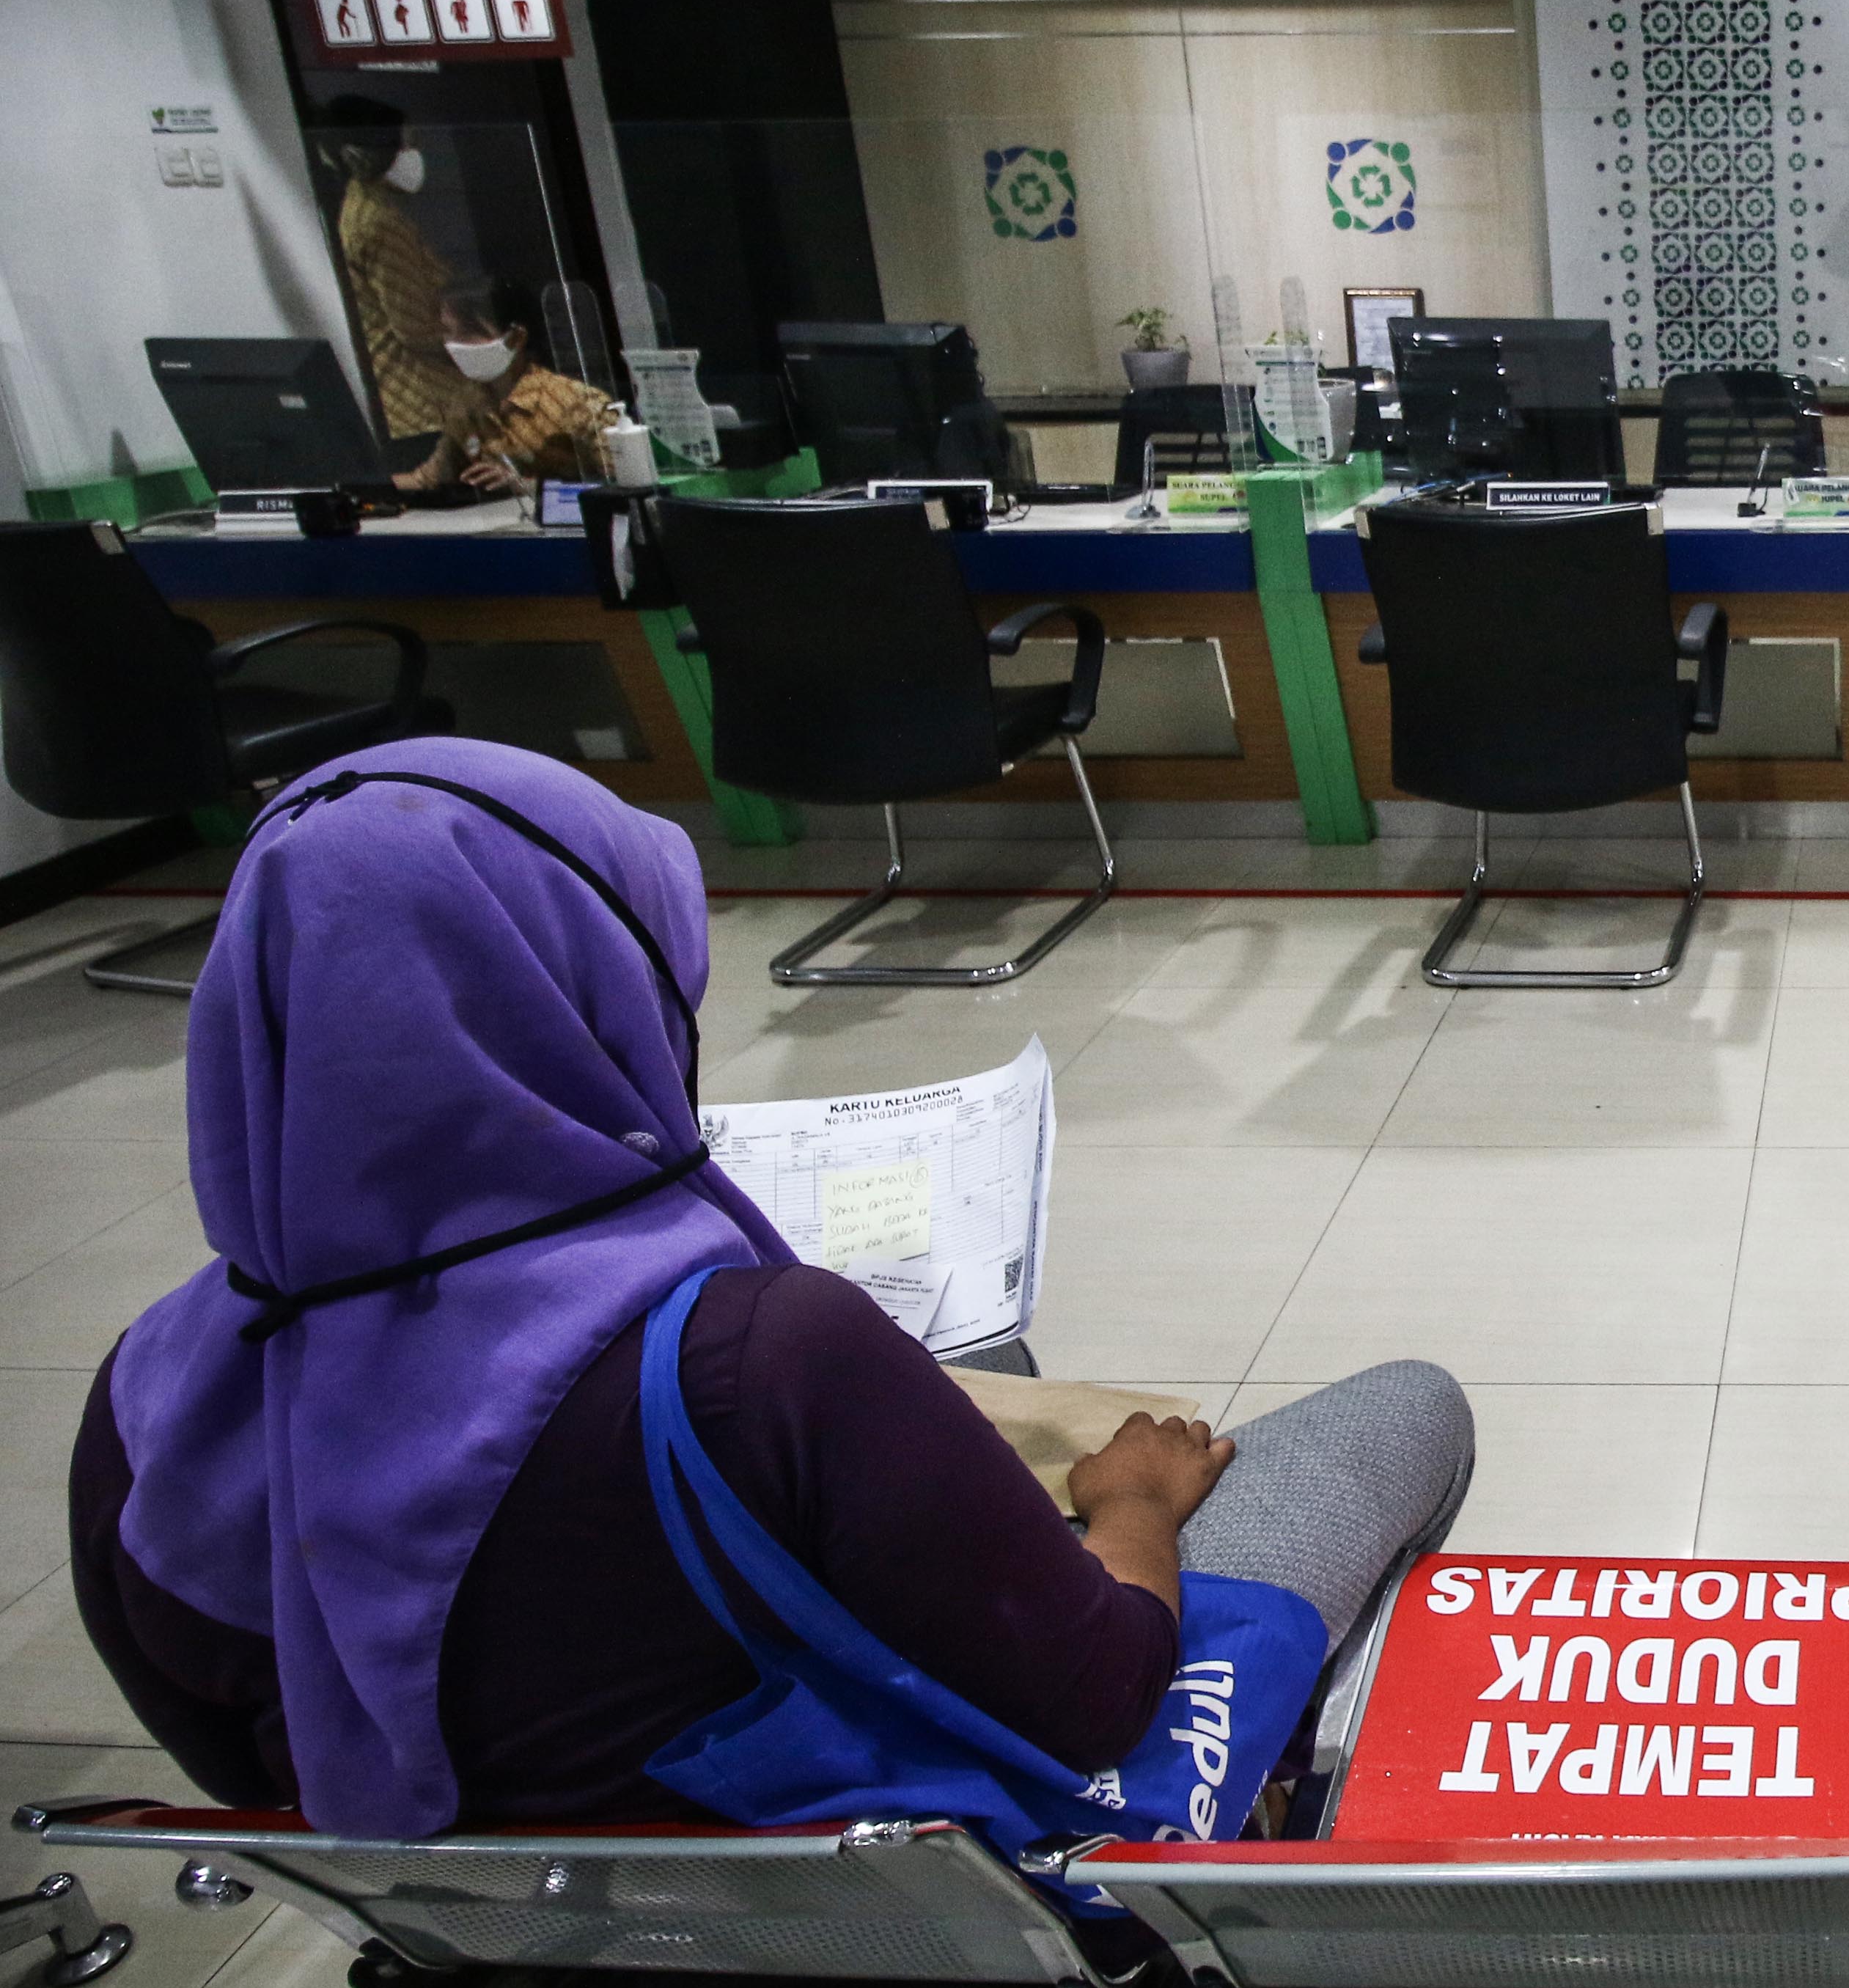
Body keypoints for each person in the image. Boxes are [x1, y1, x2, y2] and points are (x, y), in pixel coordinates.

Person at [71, 738, 1474, 1850]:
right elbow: (1101, 1693)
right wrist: (1133, 1510)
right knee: (1407, 1409)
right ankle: (1269, 1790)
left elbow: (238, 1758)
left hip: (523, 1907)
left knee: (980, 1362)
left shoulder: (148, 1400)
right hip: (874, 1882)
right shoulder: (763, 1360)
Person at [319, 97, 479, 455]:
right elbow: (416, 328)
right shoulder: (381, 223)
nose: (413, 152)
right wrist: (484, 342)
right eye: (405, 143)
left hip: (406, 399)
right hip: (425, 402)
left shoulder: (361, 208)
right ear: (378, 152)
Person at [397, 280, 623, 497]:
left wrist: (525, 486)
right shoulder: (467, 406)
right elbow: (427, 479)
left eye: (469, 332)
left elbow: (622, 483)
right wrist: (368, 487)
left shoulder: (576, 401)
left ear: (516, 337)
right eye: (448, 332)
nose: (455, 344)